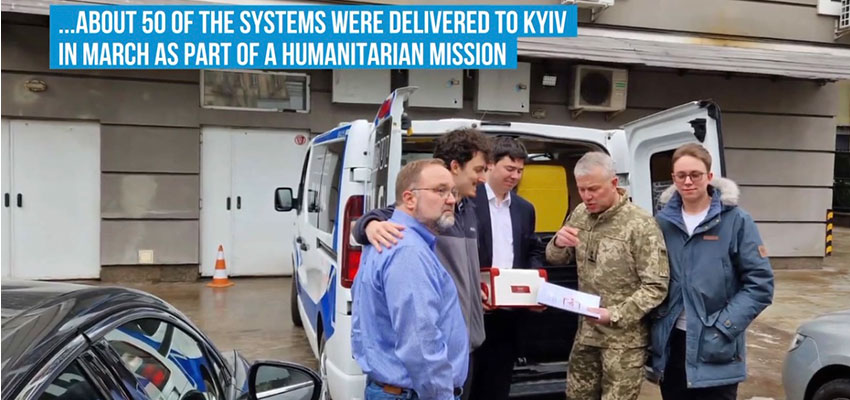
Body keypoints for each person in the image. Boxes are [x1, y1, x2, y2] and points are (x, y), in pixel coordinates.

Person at [352, 128, 491, 399]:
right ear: (409, 198)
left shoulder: (411, 236)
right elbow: (421, 344)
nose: (450, 199)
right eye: (440, 191)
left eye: (451, 191)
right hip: (413, 391)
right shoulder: (405, 249)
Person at [647, 144, 774, 400]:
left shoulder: (736, 221)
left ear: (709, 176)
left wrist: (724, 327)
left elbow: (760, 285)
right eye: (681, 175)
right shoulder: (662, 223)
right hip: (672, 345)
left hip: (716, 344)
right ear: (673, 179)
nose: (688, 181)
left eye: (695, 174)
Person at [546, 151, 669, 400]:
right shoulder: (580, 213)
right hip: (586, 335)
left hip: (623, 342)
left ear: (614, 184)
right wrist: (558, 243)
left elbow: (656, 286)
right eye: (581, 189)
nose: (587, 196)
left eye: (593, 189)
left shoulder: (640, 224)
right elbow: (556, 259)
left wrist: (615, 314)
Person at [470, 137, 544, 400]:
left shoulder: (525, 209)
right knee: (468, 385)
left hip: (510, 314)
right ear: (490, 166)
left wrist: (536, 282)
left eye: (520, 171)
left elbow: (532, 247)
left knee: (498, 385)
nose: (515, 176)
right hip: (473, 310)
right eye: (509, 169)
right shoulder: (467, 200)